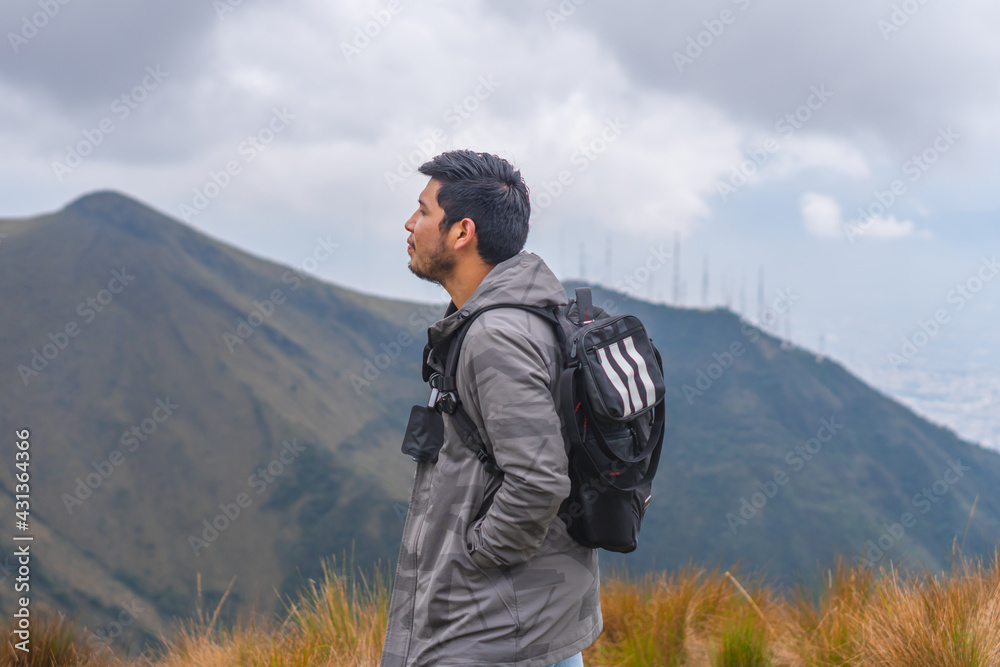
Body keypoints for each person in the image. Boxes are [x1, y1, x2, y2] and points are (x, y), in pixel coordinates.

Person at [379, 150, 601, 667]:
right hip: (531, 622)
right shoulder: (521, 317)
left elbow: (539, 480)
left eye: (424, 211)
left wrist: (476, 558)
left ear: (462, 233)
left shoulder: (497, 336)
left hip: (497, 631)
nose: (410, 224)